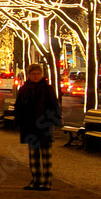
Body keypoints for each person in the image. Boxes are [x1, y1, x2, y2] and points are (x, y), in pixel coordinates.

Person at [14, 63, 61, 191]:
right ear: (29, 75)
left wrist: (51, 121)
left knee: (46, 155)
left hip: (44, 125)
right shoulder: (24, 89)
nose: (36, 76)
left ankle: (46, 181)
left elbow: (54, 105)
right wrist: (19, 121)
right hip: (30, 125)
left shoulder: (47, 89)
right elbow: (19, 106)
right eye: (33, 74)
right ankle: (36, 180)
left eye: (38, 74)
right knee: (33, 155)